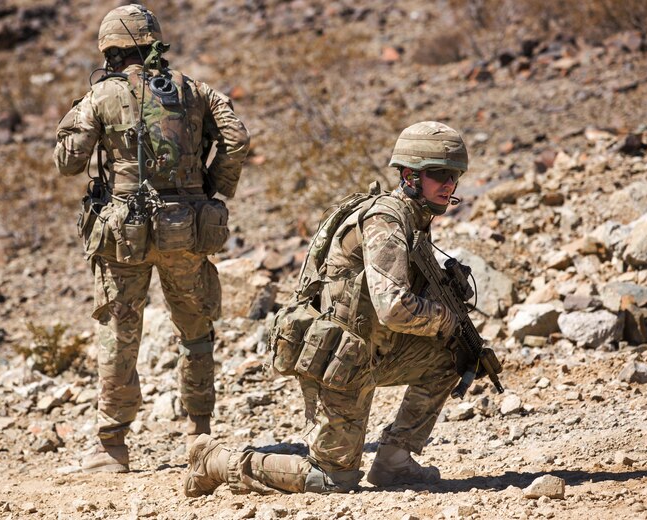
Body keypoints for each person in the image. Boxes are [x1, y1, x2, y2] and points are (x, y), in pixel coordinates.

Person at [185, 121, 468, 495]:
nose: (448, 184)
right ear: (411, 176)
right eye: (439, 174)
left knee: (456, 353)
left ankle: (395, 463)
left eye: (454, 176)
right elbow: (394, 308)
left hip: (372, 351)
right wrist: (443, 318)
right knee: (332, 479)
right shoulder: (386, 220)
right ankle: (217, 462)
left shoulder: (415, 220)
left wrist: (451, 328)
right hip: (339, 360)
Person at [54, 4, 250, 473]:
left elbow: (68, 162)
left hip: (125, 233)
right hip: (189, 225)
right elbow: (237, 138)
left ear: (113, 50)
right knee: (196, 332)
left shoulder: (103, 95)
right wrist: (211, 187)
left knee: (120, 333)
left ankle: (111, 447)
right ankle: (198, 436)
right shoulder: (195, 89)